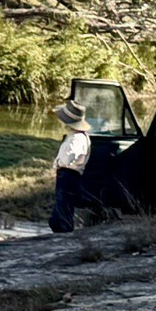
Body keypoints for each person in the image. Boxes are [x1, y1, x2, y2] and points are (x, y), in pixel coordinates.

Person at [49, 98, 91, 233]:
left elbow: (69, 157)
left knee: (64, 206)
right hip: (68, 174)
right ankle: (58, 228)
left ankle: (65, 233)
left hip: (68, 174)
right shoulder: (76, 136)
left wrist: (59, 164)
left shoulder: (77, 138)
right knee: (61, 207)